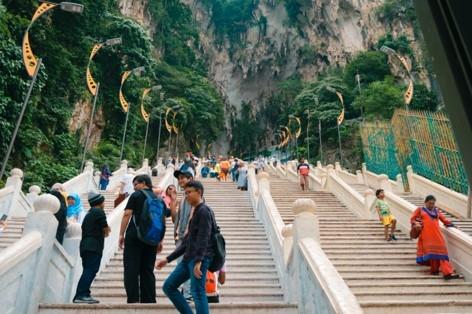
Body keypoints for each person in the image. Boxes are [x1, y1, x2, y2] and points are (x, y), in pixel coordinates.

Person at [156, 180, 214, 314]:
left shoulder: (204, 211)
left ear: (199, 192)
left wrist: (199, 260)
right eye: (185, 193)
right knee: (169, 286)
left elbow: (204, 237)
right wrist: (168, 259)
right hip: (188, 258)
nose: (186, 195)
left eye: (189, 192)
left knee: (198, 292)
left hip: (199, 259)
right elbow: (187, 242)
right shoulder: (196, 212)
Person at [119, 174, 172, 303]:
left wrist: (121, 234)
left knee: (131, 267)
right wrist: (160, 240)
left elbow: (127, 214)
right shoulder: (159, 199)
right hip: (152, 238)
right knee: (147, 269)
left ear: (143, 183)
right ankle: (149, 300)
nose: (134, 187)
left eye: (135, 184)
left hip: (135, 236)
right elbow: (162, 220)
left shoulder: (136, 195)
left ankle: (133, 300)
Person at [410, 195, 460, 280]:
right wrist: (416, 223)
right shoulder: (420, 210)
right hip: (426, 235)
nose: (431, 205)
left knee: (442, 252)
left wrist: (450, 224)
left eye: (433, 203)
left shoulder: (436, 211)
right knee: (434, 253)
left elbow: (444, 219)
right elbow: (412, 219)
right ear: (425, 202)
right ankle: (442, 271)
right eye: (430, 203)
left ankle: (441, 271)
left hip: (437, 234)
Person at [73, 192, 110, 304]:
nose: (104, 203)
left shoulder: (89, 214)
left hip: (85, 245)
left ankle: (85, 293)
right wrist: (107, 230)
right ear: (100, 202)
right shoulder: (99, 212)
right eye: (103, 201)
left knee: (87, 269)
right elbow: (106, 230)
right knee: (91, 269)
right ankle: (81, 295)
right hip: (93, 246)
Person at [173, 166, 195, 299]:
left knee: (185, 265)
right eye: (179, 178)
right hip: (180, 238)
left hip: (188, 238)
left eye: (183, 178)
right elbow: (176, 219)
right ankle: (186, 291)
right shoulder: (183, 198)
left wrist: (187, 232)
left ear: (190, 179)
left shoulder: (194, 196)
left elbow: (193, 214)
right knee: (182, 265)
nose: (180, 180)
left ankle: (188, 293)